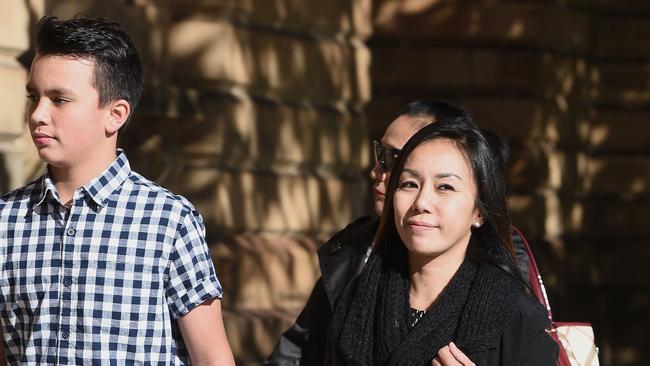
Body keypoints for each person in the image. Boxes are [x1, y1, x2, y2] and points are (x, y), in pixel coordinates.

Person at [0, 15, 235, 365]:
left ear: (116, 114)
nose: (37, 114)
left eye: (59, 99)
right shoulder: (6, 220)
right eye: (34, 96)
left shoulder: (169, 221)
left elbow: (212, 358)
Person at [265, 100, 493, 365]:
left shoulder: (501, 286)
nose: (377, 171)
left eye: (393, 158)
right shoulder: (354, 247)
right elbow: (299, 351)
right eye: (379, 154)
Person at [326, 120, 558, 365]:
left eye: (445, 187)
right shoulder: (357, 301)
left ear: (479, 212)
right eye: (409, 184)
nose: (421, 202)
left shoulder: (517, 319)